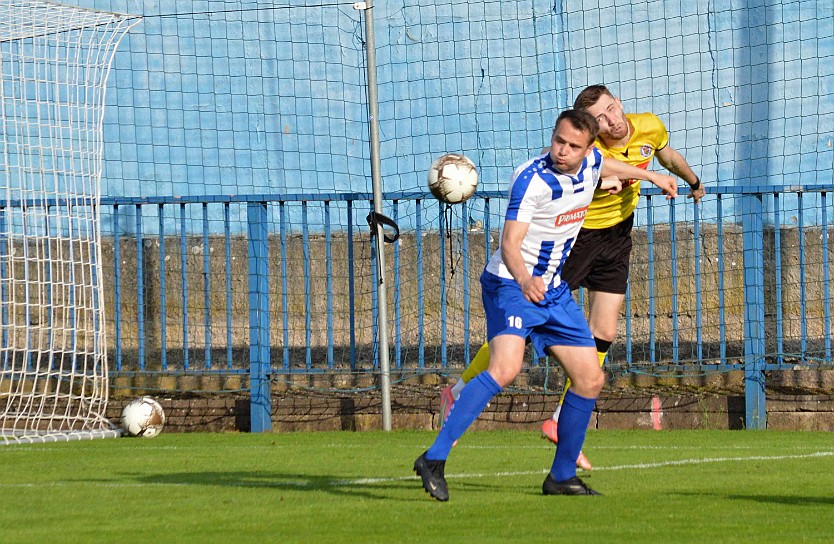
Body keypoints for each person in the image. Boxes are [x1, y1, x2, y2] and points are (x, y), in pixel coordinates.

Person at [439, 84, 704, 470]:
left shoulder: (647, 127)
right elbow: (577, 181)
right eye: (600, 118)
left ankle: (562, 419)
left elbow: (666, 156)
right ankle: (460, 392)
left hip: (618, 237)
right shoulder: (584, 151)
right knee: (523, 333)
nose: (611, 120)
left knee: (605, 331)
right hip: (576, 241)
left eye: (612, 110)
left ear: (621, 104)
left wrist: (691, 181)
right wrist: (603, 185)